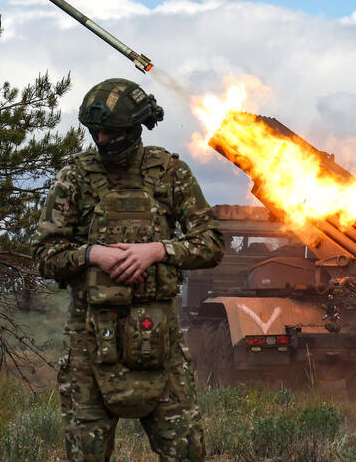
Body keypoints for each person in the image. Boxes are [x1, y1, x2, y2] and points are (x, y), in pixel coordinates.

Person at [33, 78, 225, 461]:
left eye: (111, 132)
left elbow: (212, 243)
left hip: (161, 339)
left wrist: (158, 250)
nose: (102, 140)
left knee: (187, 452)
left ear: (134, 129)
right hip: (89, 340)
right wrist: (92, 255)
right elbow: (45, 254)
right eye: (96, 132)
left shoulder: (170, 173)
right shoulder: (75, 178)